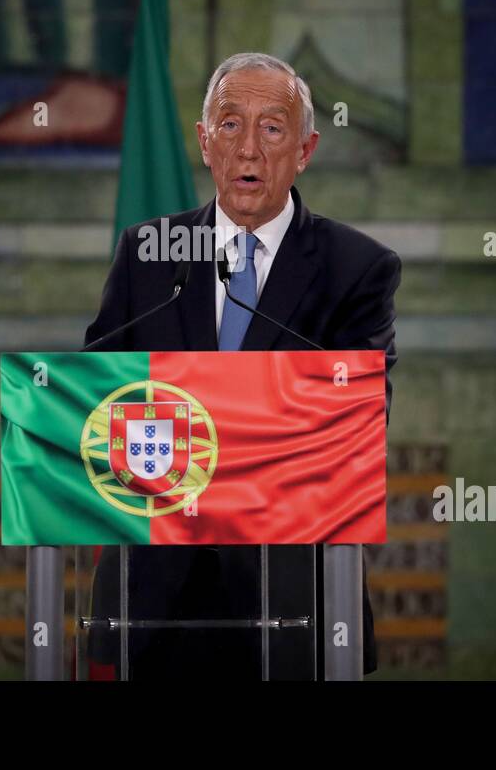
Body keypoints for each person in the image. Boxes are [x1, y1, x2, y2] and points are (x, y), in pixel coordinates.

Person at [83, 51, 401, 679]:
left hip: (292, 600)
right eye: (229, 125)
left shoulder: (357, 268)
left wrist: (192, 421)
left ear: (305, 149)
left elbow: (354, 422)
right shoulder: (148, 254)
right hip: (153, 604)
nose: (249, 149)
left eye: (272, 128)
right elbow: (100, 402)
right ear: (205, 143)